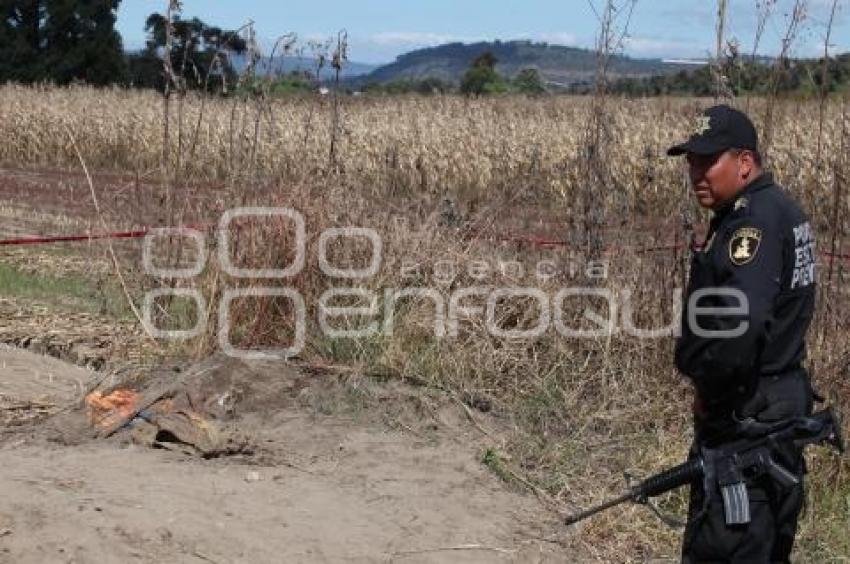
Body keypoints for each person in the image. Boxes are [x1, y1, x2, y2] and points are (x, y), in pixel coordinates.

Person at [668, 105, 817, 562]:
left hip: (747, 420)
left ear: (745, 162)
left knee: (724, 546)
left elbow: (740, 329)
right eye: (691, 160)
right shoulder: (776, 210)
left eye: (708, 161)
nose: (696, 172)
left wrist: (711, 392)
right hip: (774, 407)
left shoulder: (752, 225)